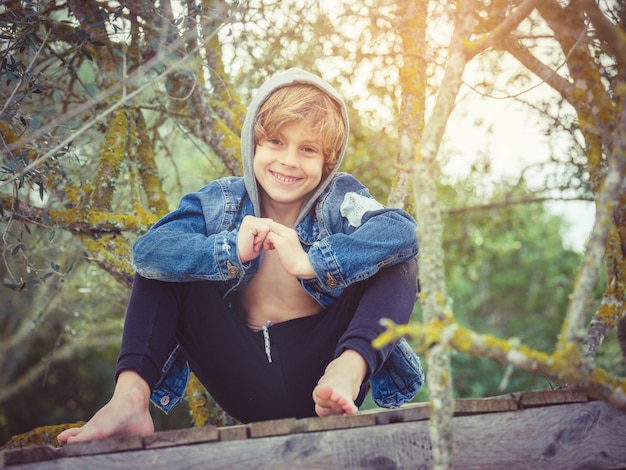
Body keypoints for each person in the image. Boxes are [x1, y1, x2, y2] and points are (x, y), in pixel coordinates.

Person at [58, 67, 423, 444]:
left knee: (399, 259)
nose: (290, 161)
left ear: (327, 163)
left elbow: (404, 232)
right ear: (253, 145)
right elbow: (147, 251)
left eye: (308, 149)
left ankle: (349, 369)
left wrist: (313, 261)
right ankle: (130, 401)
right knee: (162, 263)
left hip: (326, 371)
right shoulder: (222, 202)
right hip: (241, 372)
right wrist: (229, 250)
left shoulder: (341, 201)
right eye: (276, 143)